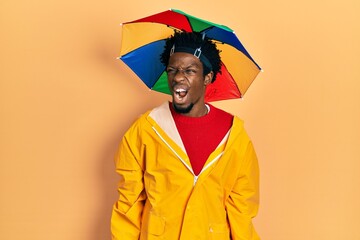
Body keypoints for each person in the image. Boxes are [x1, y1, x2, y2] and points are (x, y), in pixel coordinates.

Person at [111, 31, 260, 240]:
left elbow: (242, 208)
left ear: (207, 77)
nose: (178, 77)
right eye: (172, 70)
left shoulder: (234, 134)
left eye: (190, 70)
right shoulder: (145, 129)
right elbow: (129, 201)